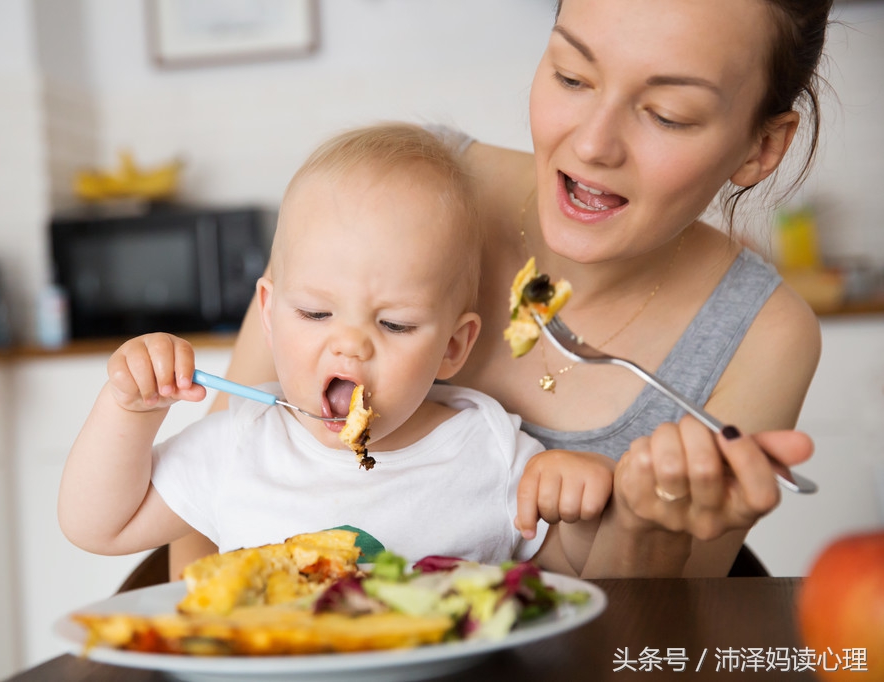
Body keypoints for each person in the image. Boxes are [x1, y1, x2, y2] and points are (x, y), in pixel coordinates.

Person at [170, 0, 830, 579]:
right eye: (571, 75)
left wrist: (642, 528)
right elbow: (206, 508)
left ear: (760, 148)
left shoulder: (762, 335)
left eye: (667, 114)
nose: (593, 144)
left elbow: (648, 636)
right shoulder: (393, 191)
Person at [57, 123, 613, 566]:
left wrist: (579, 514)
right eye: (315, 312)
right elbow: (98, 526)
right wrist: (130, 409)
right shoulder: (241, 445)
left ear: (453, 346)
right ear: (270, 314)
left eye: (394, 324)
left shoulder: (489, 451)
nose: (349, 347)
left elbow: (567, 581)